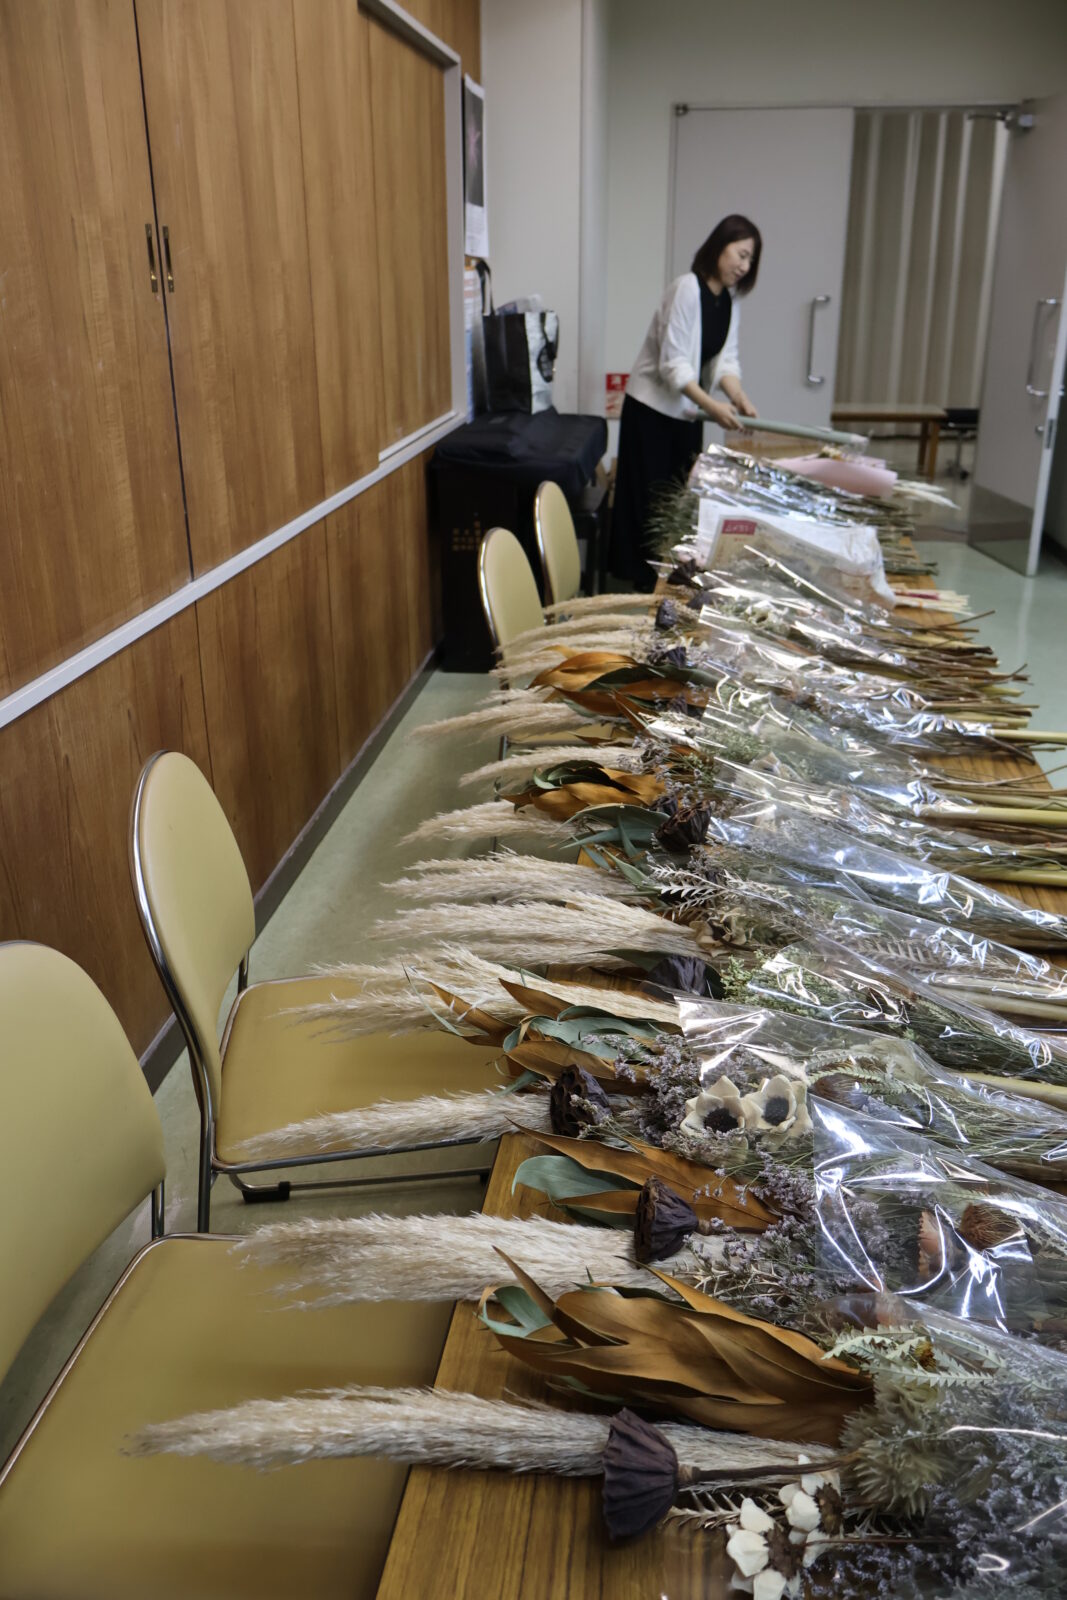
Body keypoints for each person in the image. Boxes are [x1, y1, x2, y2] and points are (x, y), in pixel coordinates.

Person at [611, 214, 762, 587]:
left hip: (686, 414)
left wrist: (738, 396)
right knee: (648, 503)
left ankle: (666, 581)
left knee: (679, 502)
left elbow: (725, 361)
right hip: (651, 413)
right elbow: (673, 366)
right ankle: (642, 586)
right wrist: (713, 407)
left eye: (750, 260)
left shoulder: (728, 301)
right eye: (741, 254)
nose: (745, 266)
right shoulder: (686, 289)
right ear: (719, 247)